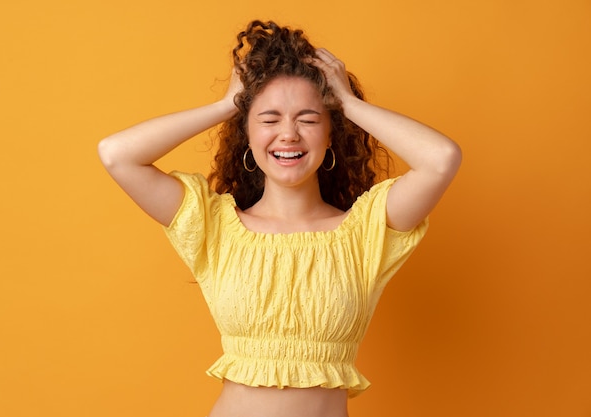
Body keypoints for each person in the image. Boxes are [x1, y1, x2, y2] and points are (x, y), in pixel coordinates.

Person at [98, 20, 461, 417]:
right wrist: (225, 106)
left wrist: (349, 103)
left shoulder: (366, 232)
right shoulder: (214, 226)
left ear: (330, 135)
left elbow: (440, 160)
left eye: (307, 119)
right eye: (269, 119)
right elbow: (117, 154)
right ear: (247, 137)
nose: (288, 134)